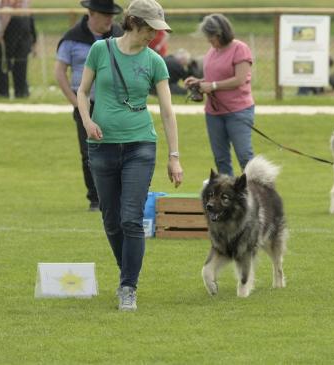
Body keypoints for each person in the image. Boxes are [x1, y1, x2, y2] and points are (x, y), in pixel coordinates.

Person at [77, 0, 183, 311]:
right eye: (150, 28)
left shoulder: (155, 62)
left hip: (140, 145)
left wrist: (174, 156)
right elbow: (83, 92)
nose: (154, 34)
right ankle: (127, 275)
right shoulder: (100, 50)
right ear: (133, 22)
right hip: (101, 145)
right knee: (111, 221)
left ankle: (128, 287)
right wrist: (87, 120)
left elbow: (167, 111)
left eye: (158, 29)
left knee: (131, 219)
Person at [55, 0, 123, 212]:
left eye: (112, 16)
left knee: (118, 150)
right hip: (86, 105)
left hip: (114, 105)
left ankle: (117, 196)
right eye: (105, 15)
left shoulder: (120, 36)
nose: (110, 20)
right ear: (91, 13)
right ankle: (95, 198)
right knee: (89, 153)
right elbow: (59, 73)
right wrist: (77, 104)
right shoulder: (72, 39)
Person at [184, 13, 254, 176]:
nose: (209, 40)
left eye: (211, 36)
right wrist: (199, 82)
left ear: (220, 33)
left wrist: (212, 86)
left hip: (238, 111)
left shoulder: (240, 48)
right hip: (214, 113)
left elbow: (240, 79)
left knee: (245, 157)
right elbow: (214, 78)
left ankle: (255, 194)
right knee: (221, 159)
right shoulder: (212, 51)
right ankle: (227, 198)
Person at [0, 0, 36, 98]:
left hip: (21, 25)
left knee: (20, 63)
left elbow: (31, 21)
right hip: (11, 27)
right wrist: (0, 32)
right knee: (5, 63)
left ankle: (20, 92)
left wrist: (34, 41)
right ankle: (4, 91)